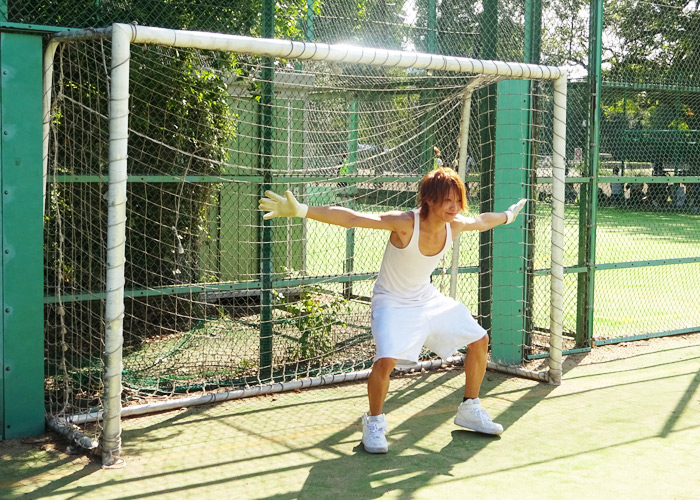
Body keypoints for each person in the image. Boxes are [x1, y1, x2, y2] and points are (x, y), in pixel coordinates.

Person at [259, 168, 527, 453]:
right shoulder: (405, 223)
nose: (454, 207)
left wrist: (508, 215)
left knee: (479, 340)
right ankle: (374, 423)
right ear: (429, 200)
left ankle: (470, 408)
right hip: (391, 302)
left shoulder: (455, 224)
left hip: (427, 298)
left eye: (457, 200)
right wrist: (301, 210)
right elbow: (352, 218)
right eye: (447, 200)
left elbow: (482, 221)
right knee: (385, 361)